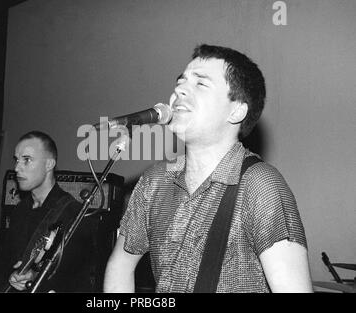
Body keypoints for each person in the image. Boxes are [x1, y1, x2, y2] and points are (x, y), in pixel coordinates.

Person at [104, 44, 313, 293]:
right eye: (180, 82)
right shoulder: (155, 180)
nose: (179, 89)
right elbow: (120, 264)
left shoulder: (260, 184)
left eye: (200, 83)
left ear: (236, 111)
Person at [0, 131, 97, 292]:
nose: (17, 168)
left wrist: (34, 277)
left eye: (27, 160)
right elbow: (4, 259)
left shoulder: (73, 214)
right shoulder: (19, 211)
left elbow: (76, 276)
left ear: (49, 165)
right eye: (16, 160)